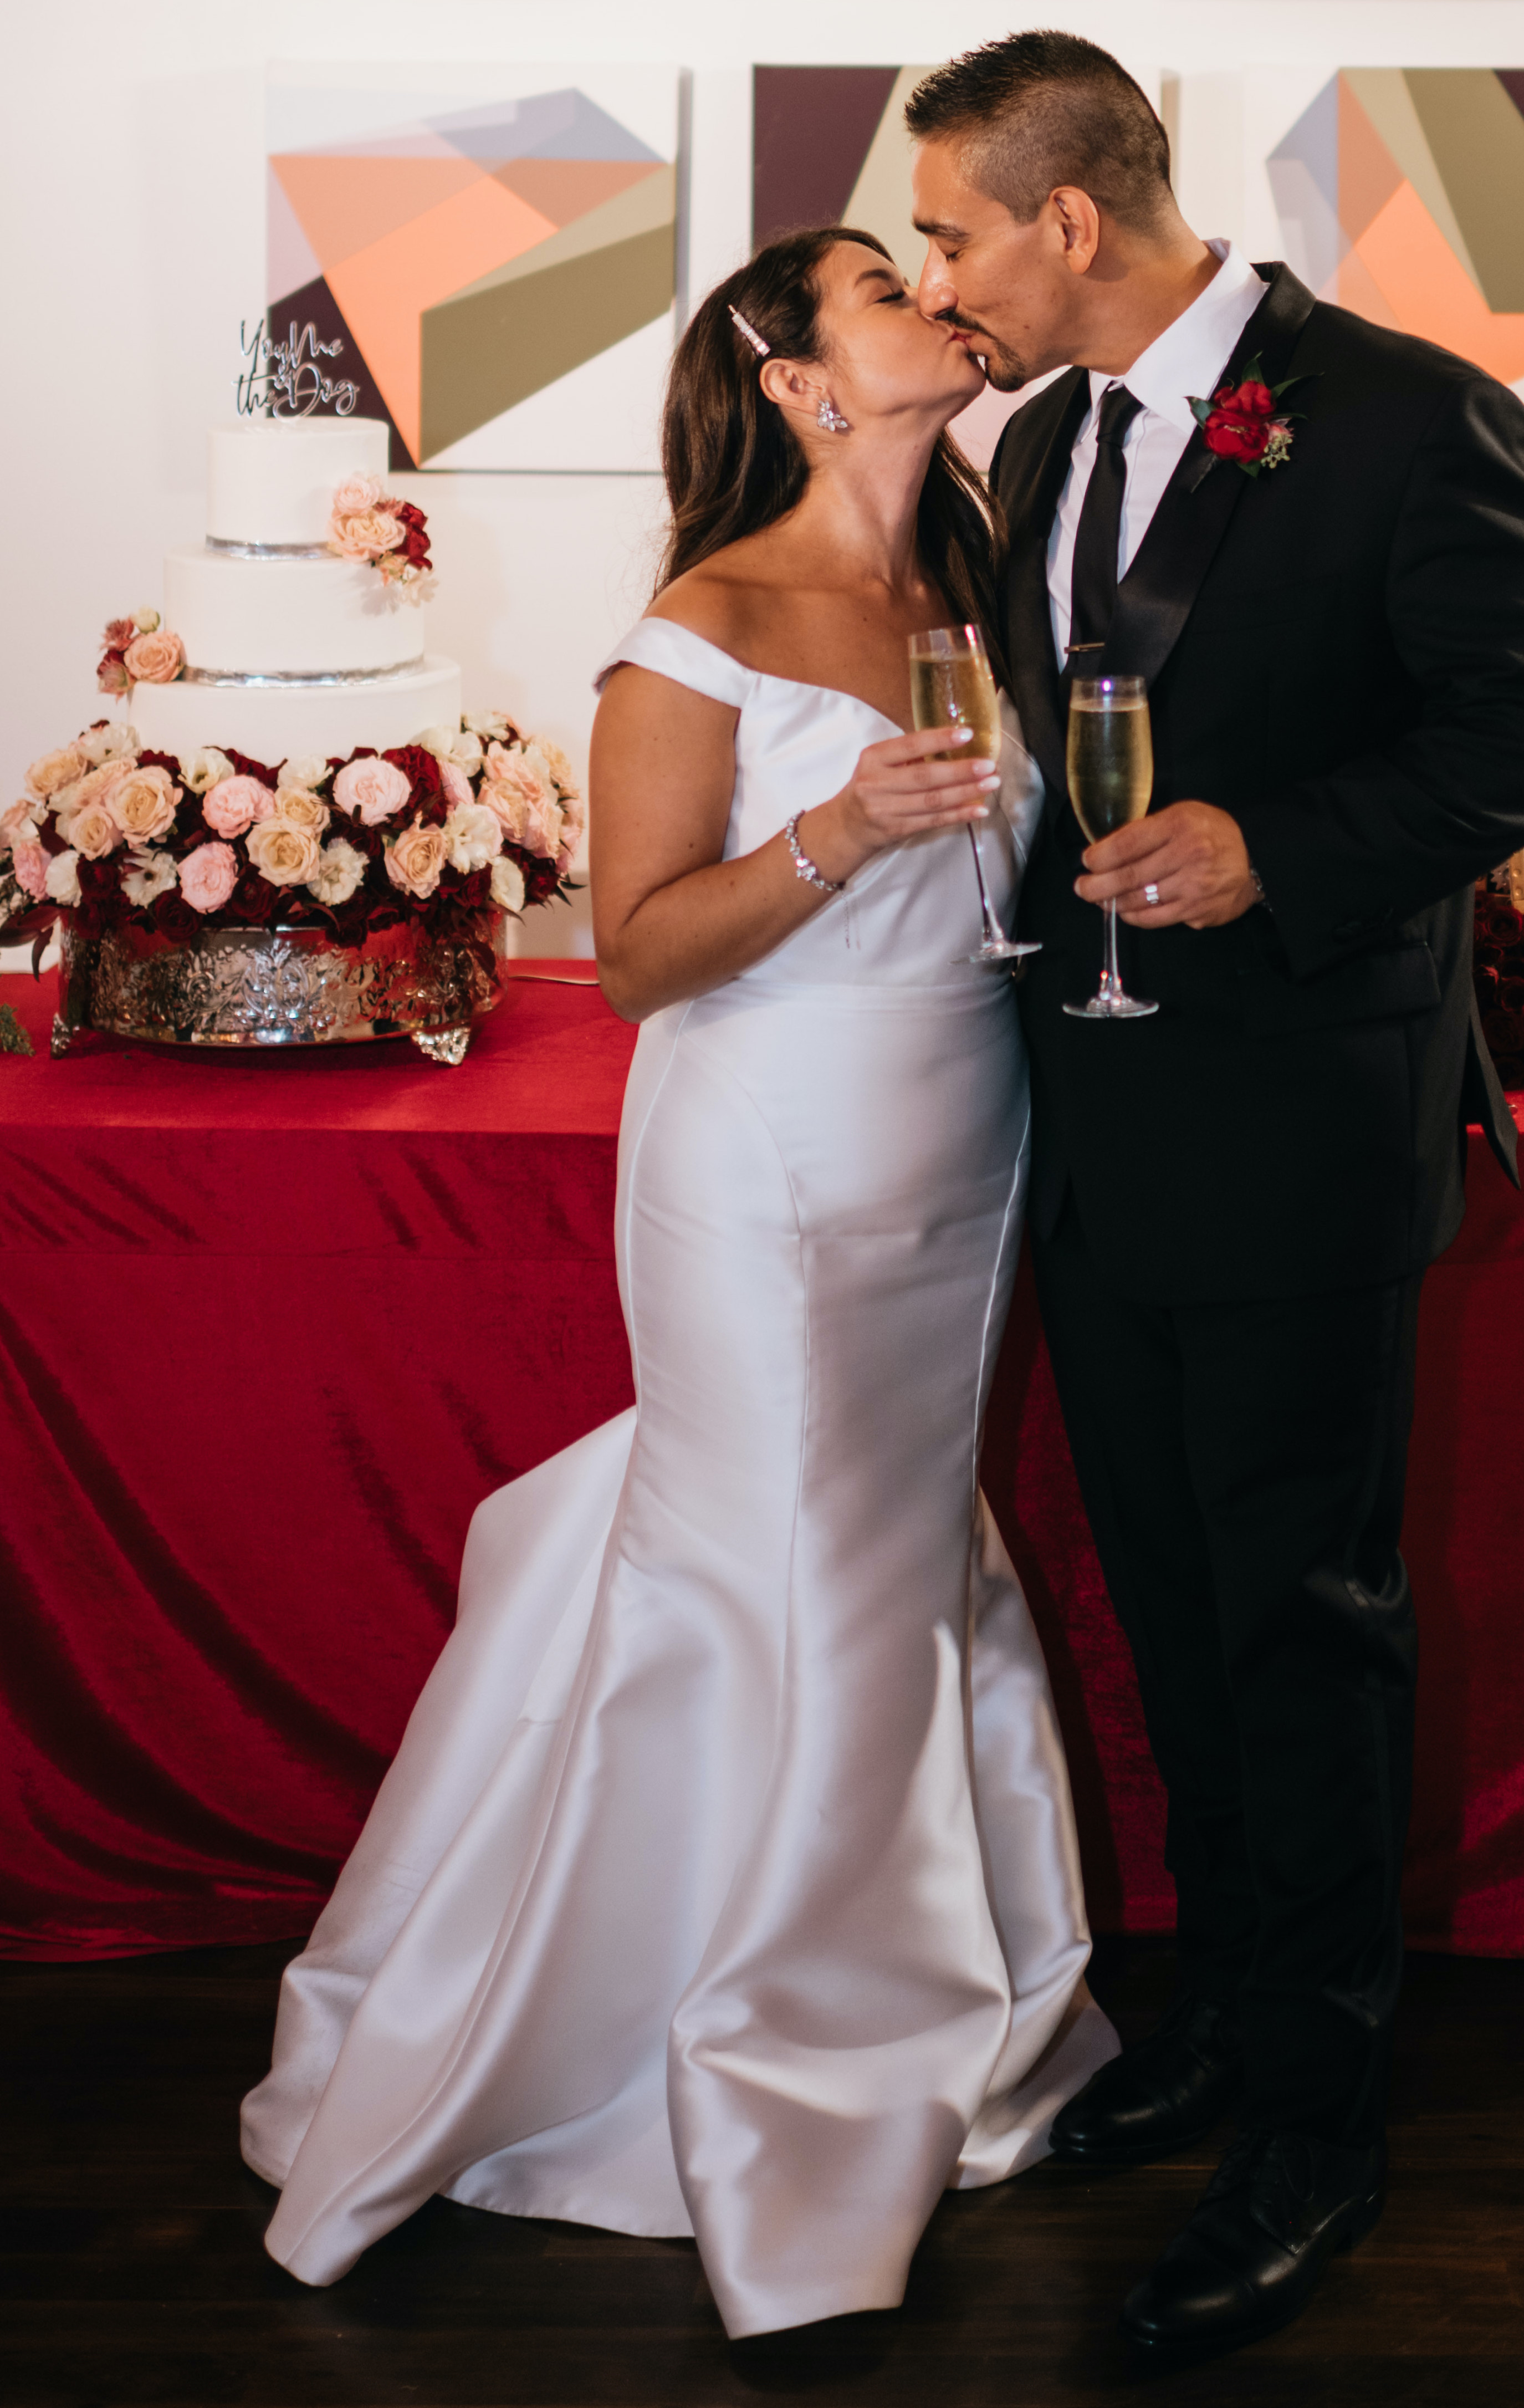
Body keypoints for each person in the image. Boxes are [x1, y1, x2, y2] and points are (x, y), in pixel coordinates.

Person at [239, 226, 1117, 2340]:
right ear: (804, 379)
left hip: (964, 1140)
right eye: (885, 288)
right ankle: (761, 2054)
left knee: (897, 1557)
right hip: (767, 1160)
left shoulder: (979, 588)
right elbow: (634, 952)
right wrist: (834, 840)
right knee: (784, 1563)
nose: (932, 298)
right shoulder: (696, 630)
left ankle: (931, 1999)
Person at [906, 33, 1524, 2356]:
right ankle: (1217, 2022)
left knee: (1301, 1627)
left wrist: (1274, 852)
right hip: (1093, 1134)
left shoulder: (1406, 415)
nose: (940, 284)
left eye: (950, 234)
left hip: (1303, 1137)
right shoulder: (1030, 446)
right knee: (1181, 1619)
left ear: (1067, 224)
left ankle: (1316, 2112)